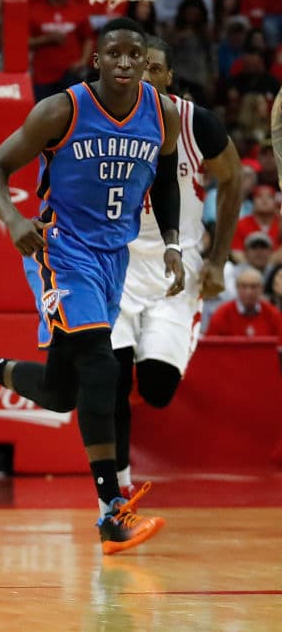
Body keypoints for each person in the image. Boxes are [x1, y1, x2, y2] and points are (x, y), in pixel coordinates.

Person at [0, 18, 183, 555]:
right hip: (62, 250)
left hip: (114, 258)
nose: (121, 62)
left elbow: (163, 182)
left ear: (144, 64)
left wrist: (174, 245)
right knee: (101, 362)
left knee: (64, 393)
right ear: (96, 60)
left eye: (132, 55)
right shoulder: (61, 110)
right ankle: (111, 511)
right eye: (111, 53)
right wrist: (14, 221)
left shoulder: (162, 115)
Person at [110, 36, 242, 496]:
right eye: (136, 67)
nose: (143, 75)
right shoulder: (98, 117)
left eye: (154, 69)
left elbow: (235, 178)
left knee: (157, 389)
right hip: (116, 266)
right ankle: (119, 489)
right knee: (111, 376)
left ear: (168, 78)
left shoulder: (194, 123)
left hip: (177, 267)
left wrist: (218, 260)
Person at [205, 265, 282, 342]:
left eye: (254, 286)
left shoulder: (273, 314)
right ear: (236, 287)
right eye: (244, 286)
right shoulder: (222, 314)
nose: (249, 292)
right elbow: (210, 347)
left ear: (262, 288)